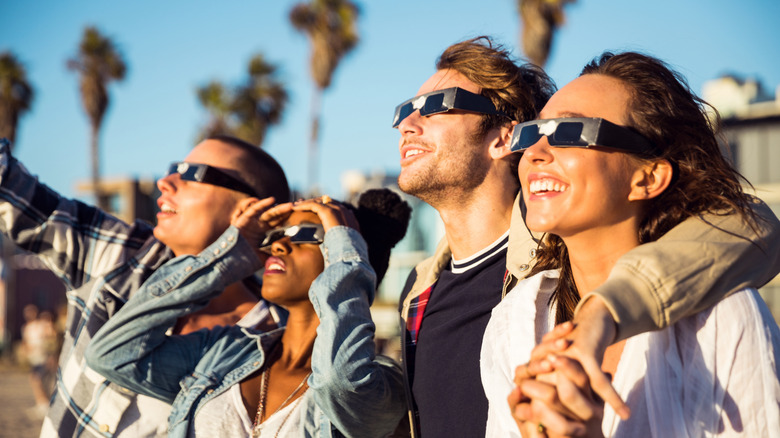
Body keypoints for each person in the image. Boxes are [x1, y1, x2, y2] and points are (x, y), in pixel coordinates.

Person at [393, 36, 780, 437]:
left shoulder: (721, 318)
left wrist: (603, 312)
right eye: (535, 133)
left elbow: (750, 225)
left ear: (649, 175)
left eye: (571, 131)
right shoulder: (517, 319)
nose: (537, 152)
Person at [0, 134, 289, 437]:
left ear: (251, 210)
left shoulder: (266, 341)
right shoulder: (120, 252)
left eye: (193, 174)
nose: (165, 181)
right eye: (174, 168)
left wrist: (227, 256)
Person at [86, 189, 411, 437]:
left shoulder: (384, 383)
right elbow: (110, 355)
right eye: (275, 236)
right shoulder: (226, 350)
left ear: (349, 252)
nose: (278, 246)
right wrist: (229, 254)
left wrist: (346, 252)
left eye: (303, 235)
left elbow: (339, 380)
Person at [21, 304, 59, 417]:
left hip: (43, 357)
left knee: (37, 379)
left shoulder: (41, 325)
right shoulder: (26, 328)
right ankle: (42, 403)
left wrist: (52, 355)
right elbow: (26, 343)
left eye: (31, 312)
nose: (29, 314)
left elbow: (52, 338)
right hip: (34, 358)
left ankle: (43, 404)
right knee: (37, 380)